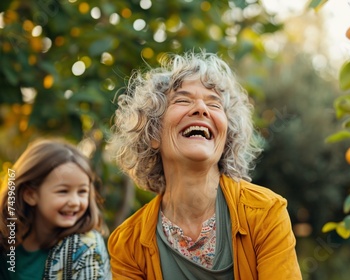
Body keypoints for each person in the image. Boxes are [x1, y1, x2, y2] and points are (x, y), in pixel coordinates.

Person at [107, 50, 301, 279]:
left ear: (226, 136)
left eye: (214, 104)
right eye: (182, 100)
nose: (201, 109)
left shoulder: (266, 213)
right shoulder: (127, 244)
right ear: (153, 133)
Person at [0, 139, 111, 279]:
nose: (75, 202)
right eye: (63, 191)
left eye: (82, 191)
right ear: (30, 195)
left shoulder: (85, 247)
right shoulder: (6, 243)